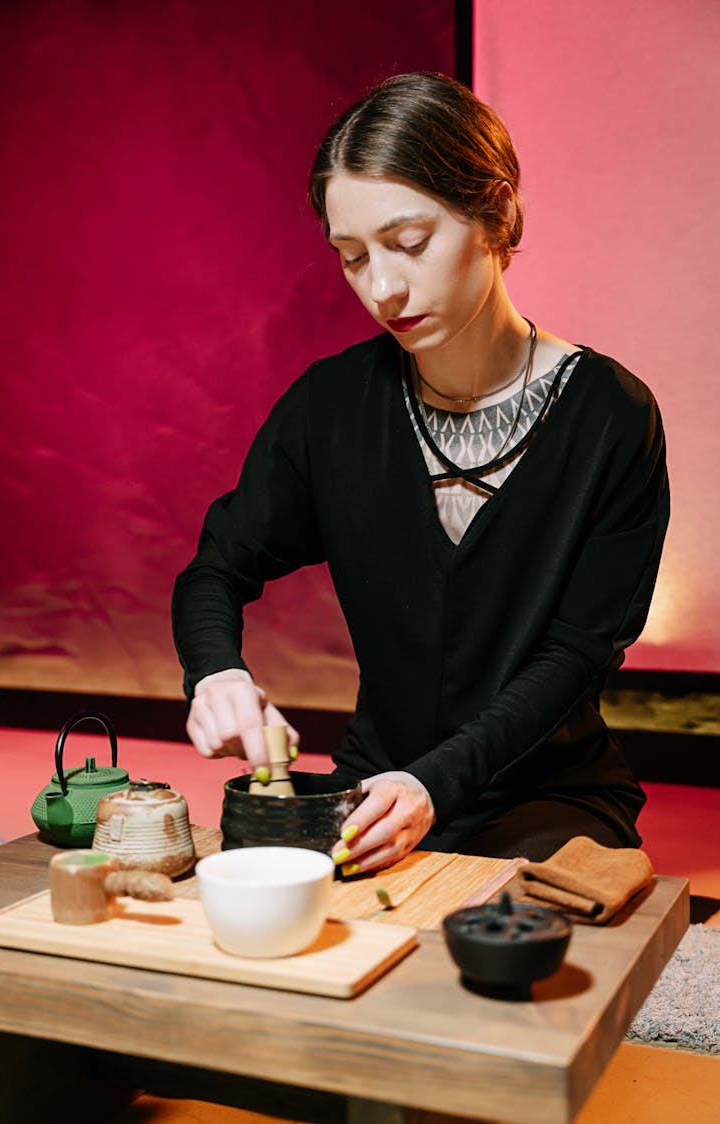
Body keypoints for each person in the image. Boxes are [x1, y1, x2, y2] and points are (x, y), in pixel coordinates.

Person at [172, 72, 669, 873]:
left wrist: (434, 785)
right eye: (352, 257)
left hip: (544, 795)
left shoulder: (611, 415)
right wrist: (217, 673)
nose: (382, 288)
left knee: (490, 942)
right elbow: (215, 570)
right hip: (376, 788)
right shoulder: (332, 406)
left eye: (408, 244)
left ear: (497, 212)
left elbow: (574, 655)